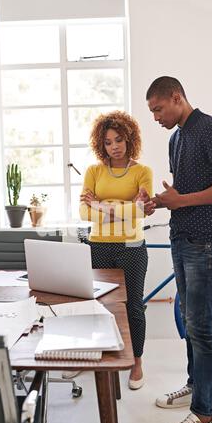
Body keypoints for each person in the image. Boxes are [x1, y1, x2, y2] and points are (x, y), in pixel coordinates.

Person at [143, 76, 212, 423]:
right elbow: (185, 192)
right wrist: (160, 201)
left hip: (207, 243)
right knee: (189, 320)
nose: (154, 117)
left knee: (200, 327)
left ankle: (204, 415)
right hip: (182, 238)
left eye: (157, 109)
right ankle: (194, 386)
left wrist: (180, 202)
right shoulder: (176, 138)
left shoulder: (210, 128)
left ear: (176, 97)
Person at [79, 110, 153, 389]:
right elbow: (83, 212)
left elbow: (140, 213)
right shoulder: (93, 171)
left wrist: (100, 204)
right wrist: (122, 209)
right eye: (108, 142)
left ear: (129, 139)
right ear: (102, 144)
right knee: (99, 306)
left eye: (119, 140)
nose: (114, 146)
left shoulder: (142, 172)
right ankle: (99, 356)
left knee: (134, 306)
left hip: (131, 247)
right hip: (98, 246)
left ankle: (137, 362)